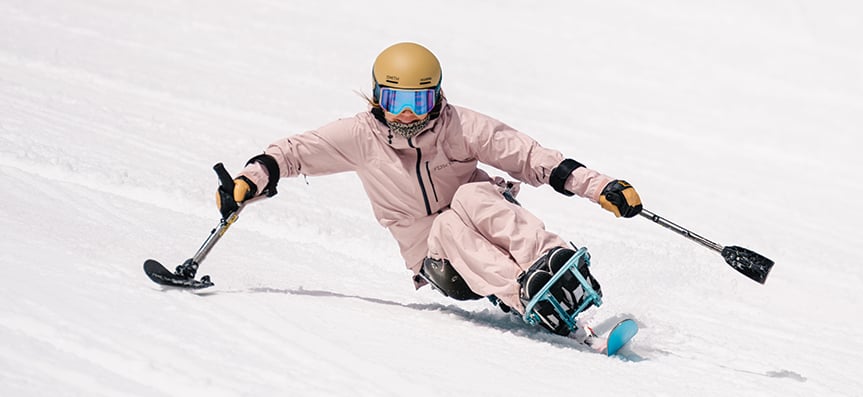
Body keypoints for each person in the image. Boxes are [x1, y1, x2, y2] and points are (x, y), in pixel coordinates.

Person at [216, 42, 643, 336]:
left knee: (473, 196)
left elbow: (530, 157)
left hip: (484, 221)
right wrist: (249, 181)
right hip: (438, 261)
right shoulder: (360, 137)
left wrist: (600, 186)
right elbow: (289, 154)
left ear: (436, 97)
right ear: (376, 96)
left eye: (417, 102)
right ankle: (526, 294)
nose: (404, 114)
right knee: (446, 225)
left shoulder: (460, 126)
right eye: (393, 100)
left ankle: (553, 266)